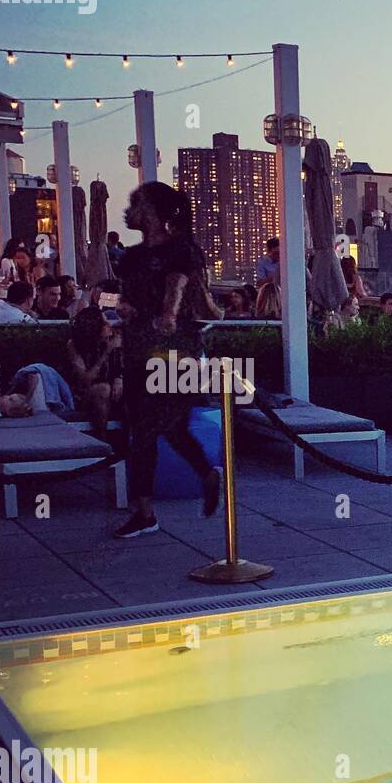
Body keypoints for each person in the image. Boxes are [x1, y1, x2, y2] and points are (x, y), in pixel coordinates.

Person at [113, 181, 221, 538]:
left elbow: (179, 284)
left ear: (157, 213)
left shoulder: (182, 249)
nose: (131, 210)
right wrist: (125, 309)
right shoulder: (130, 257)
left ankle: (145, 511)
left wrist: (169, 316)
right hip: (137, 351)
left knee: (151, 427)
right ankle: (201, 476)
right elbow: (126, 298)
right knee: (166, 427)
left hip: (176, 352)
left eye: (138, 203)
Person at [67, 306, 124, 436]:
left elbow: (123, 366)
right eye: (104, 323)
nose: (109, 325)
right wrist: (106, 353)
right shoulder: (74, 345)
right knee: (102, 389)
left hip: (115, 391)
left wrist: (119, 379)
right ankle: (101, 440)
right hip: (86, 395)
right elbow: (85, 380)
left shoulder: (116, 338)